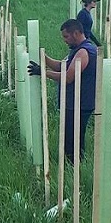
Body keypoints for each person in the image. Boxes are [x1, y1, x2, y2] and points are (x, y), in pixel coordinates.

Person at [28, 19, 98, 165]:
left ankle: (75, 167)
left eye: (66, 37)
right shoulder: (77, 50)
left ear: (76, 33)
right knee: (69, 138)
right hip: (73, 103)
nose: (64, 40)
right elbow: (62, 66)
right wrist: (43, 57)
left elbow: (68, 77)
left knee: (74, 140)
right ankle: (71, 166)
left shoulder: (84, 52)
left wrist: (42, 72)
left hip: (79, 104)